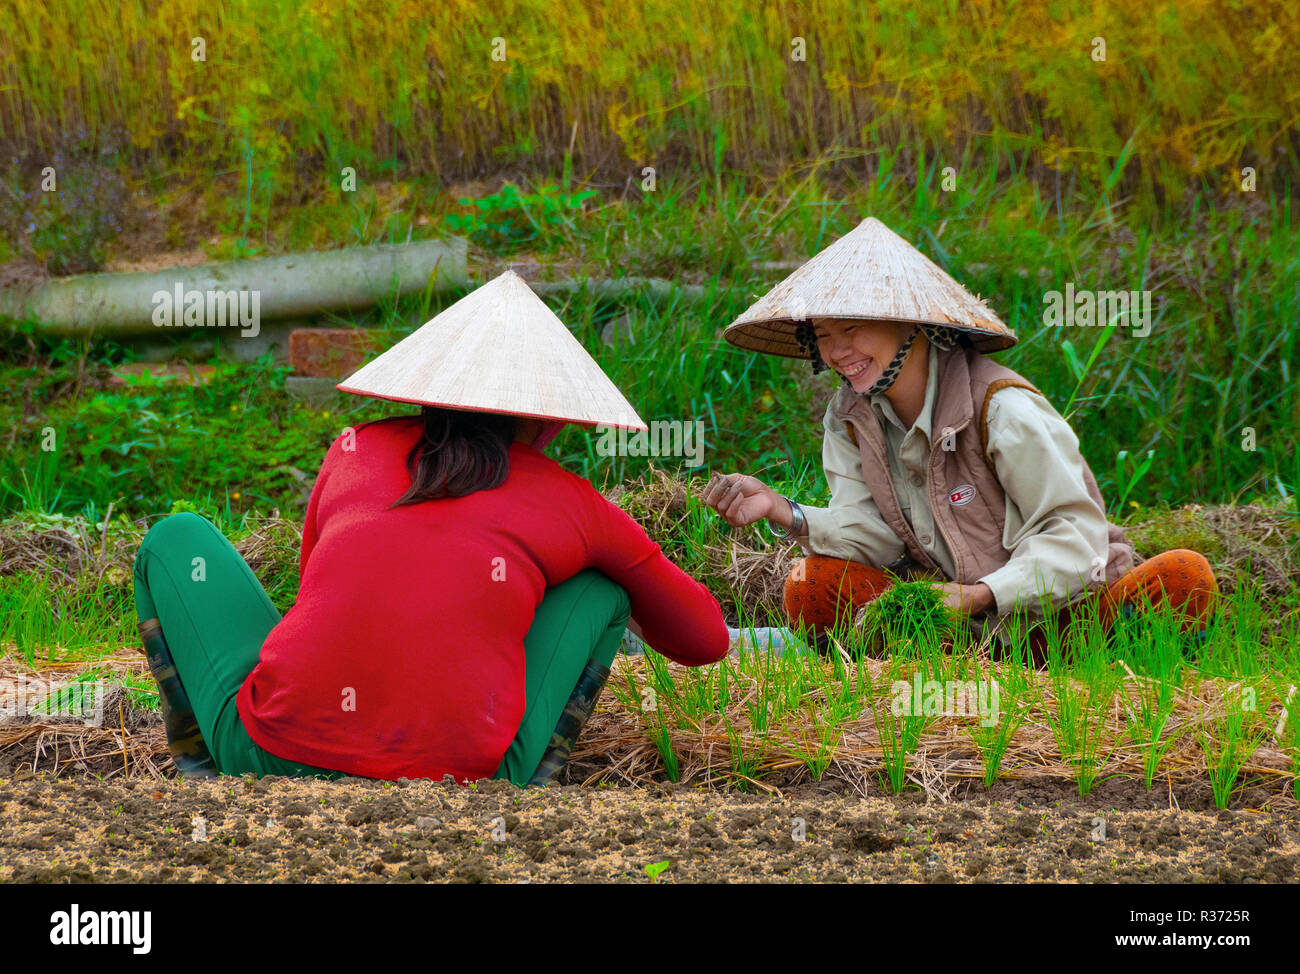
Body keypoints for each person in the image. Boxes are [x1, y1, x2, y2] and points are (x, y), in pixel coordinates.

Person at [133, 270, 729, 784]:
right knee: (601, 587)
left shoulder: (354, 446)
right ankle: (531, 787)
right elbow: (705, 639)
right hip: (467, 779)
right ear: (551, 419)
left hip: (264, 753)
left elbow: (314, 587)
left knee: (174, 538)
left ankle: (202, 768)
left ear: (425, 390)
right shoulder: (573, 501)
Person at [704, 217, 1217, 658]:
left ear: (910, 325)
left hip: (1065, 618)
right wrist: (783, 511)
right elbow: (874, 539)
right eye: (822, 335)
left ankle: (1082, 664)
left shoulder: (1003, 409)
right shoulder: (849, 419)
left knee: (1184, 577)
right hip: (961, 633)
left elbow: (1078, 542)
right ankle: (954, 662)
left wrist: (982, 594)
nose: (838, 351)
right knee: (810, 586)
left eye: (852, 328)